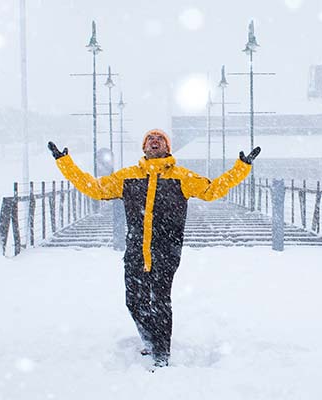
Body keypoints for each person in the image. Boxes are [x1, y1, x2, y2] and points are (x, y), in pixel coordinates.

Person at [47, 129, 260, 368]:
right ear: (144, 147)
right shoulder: (127, 177)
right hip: (136, 250)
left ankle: (161, 354)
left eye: (160, 139)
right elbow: (94, 188)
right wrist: (64, 163)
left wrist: (241, 167)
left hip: (166, 250)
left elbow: (212, 190)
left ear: (167, 148)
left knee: (159, 301)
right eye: (150, 138)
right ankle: (150, 341)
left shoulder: (182, 177)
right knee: (134, 301)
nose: (154, 141)